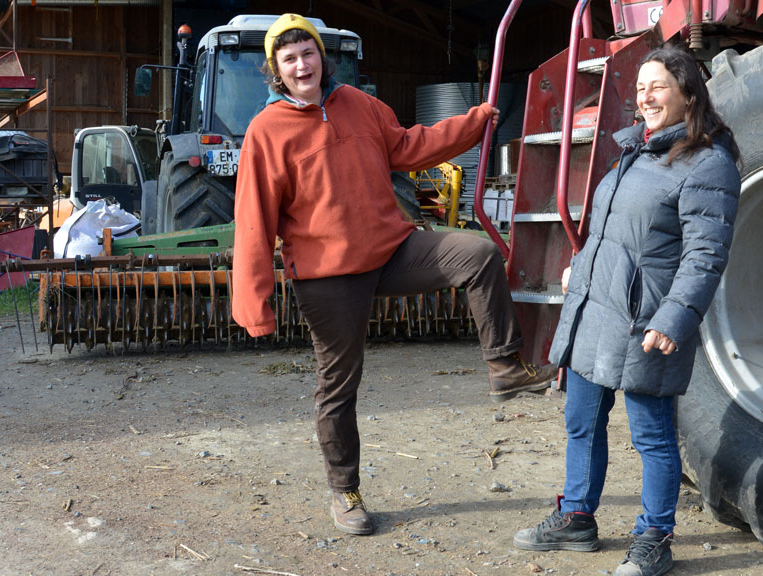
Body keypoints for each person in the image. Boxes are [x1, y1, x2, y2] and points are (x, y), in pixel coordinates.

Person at [231, 14, 557, 536]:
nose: (301, 65)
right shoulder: (266, 132)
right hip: (328, 275)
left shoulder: (359, 104)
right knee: (339, 385)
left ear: (321, 58)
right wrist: (254, 302)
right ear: (276, 70)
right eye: (288, 59)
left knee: (476, 255)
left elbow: (409, 146)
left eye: (308, 53)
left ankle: (504, 367)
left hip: (391, 248)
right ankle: (345, 493)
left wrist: (475, 122)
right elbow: (253, 220)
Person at [512, 44, 741, 576]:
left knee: (652, 434)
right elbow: (615, 229)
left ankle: (654, 537)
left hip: (646, 319)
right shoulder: (638, 150)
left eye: (657, 85)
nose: (646, 96)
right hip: (597, 307)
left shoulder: (709, 163)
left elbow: (706, 255)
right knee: (580, 421)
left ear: (688, 92)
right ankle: (576, 518)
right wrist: (581, 265)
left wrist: (674, 317)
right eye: (640, 88)